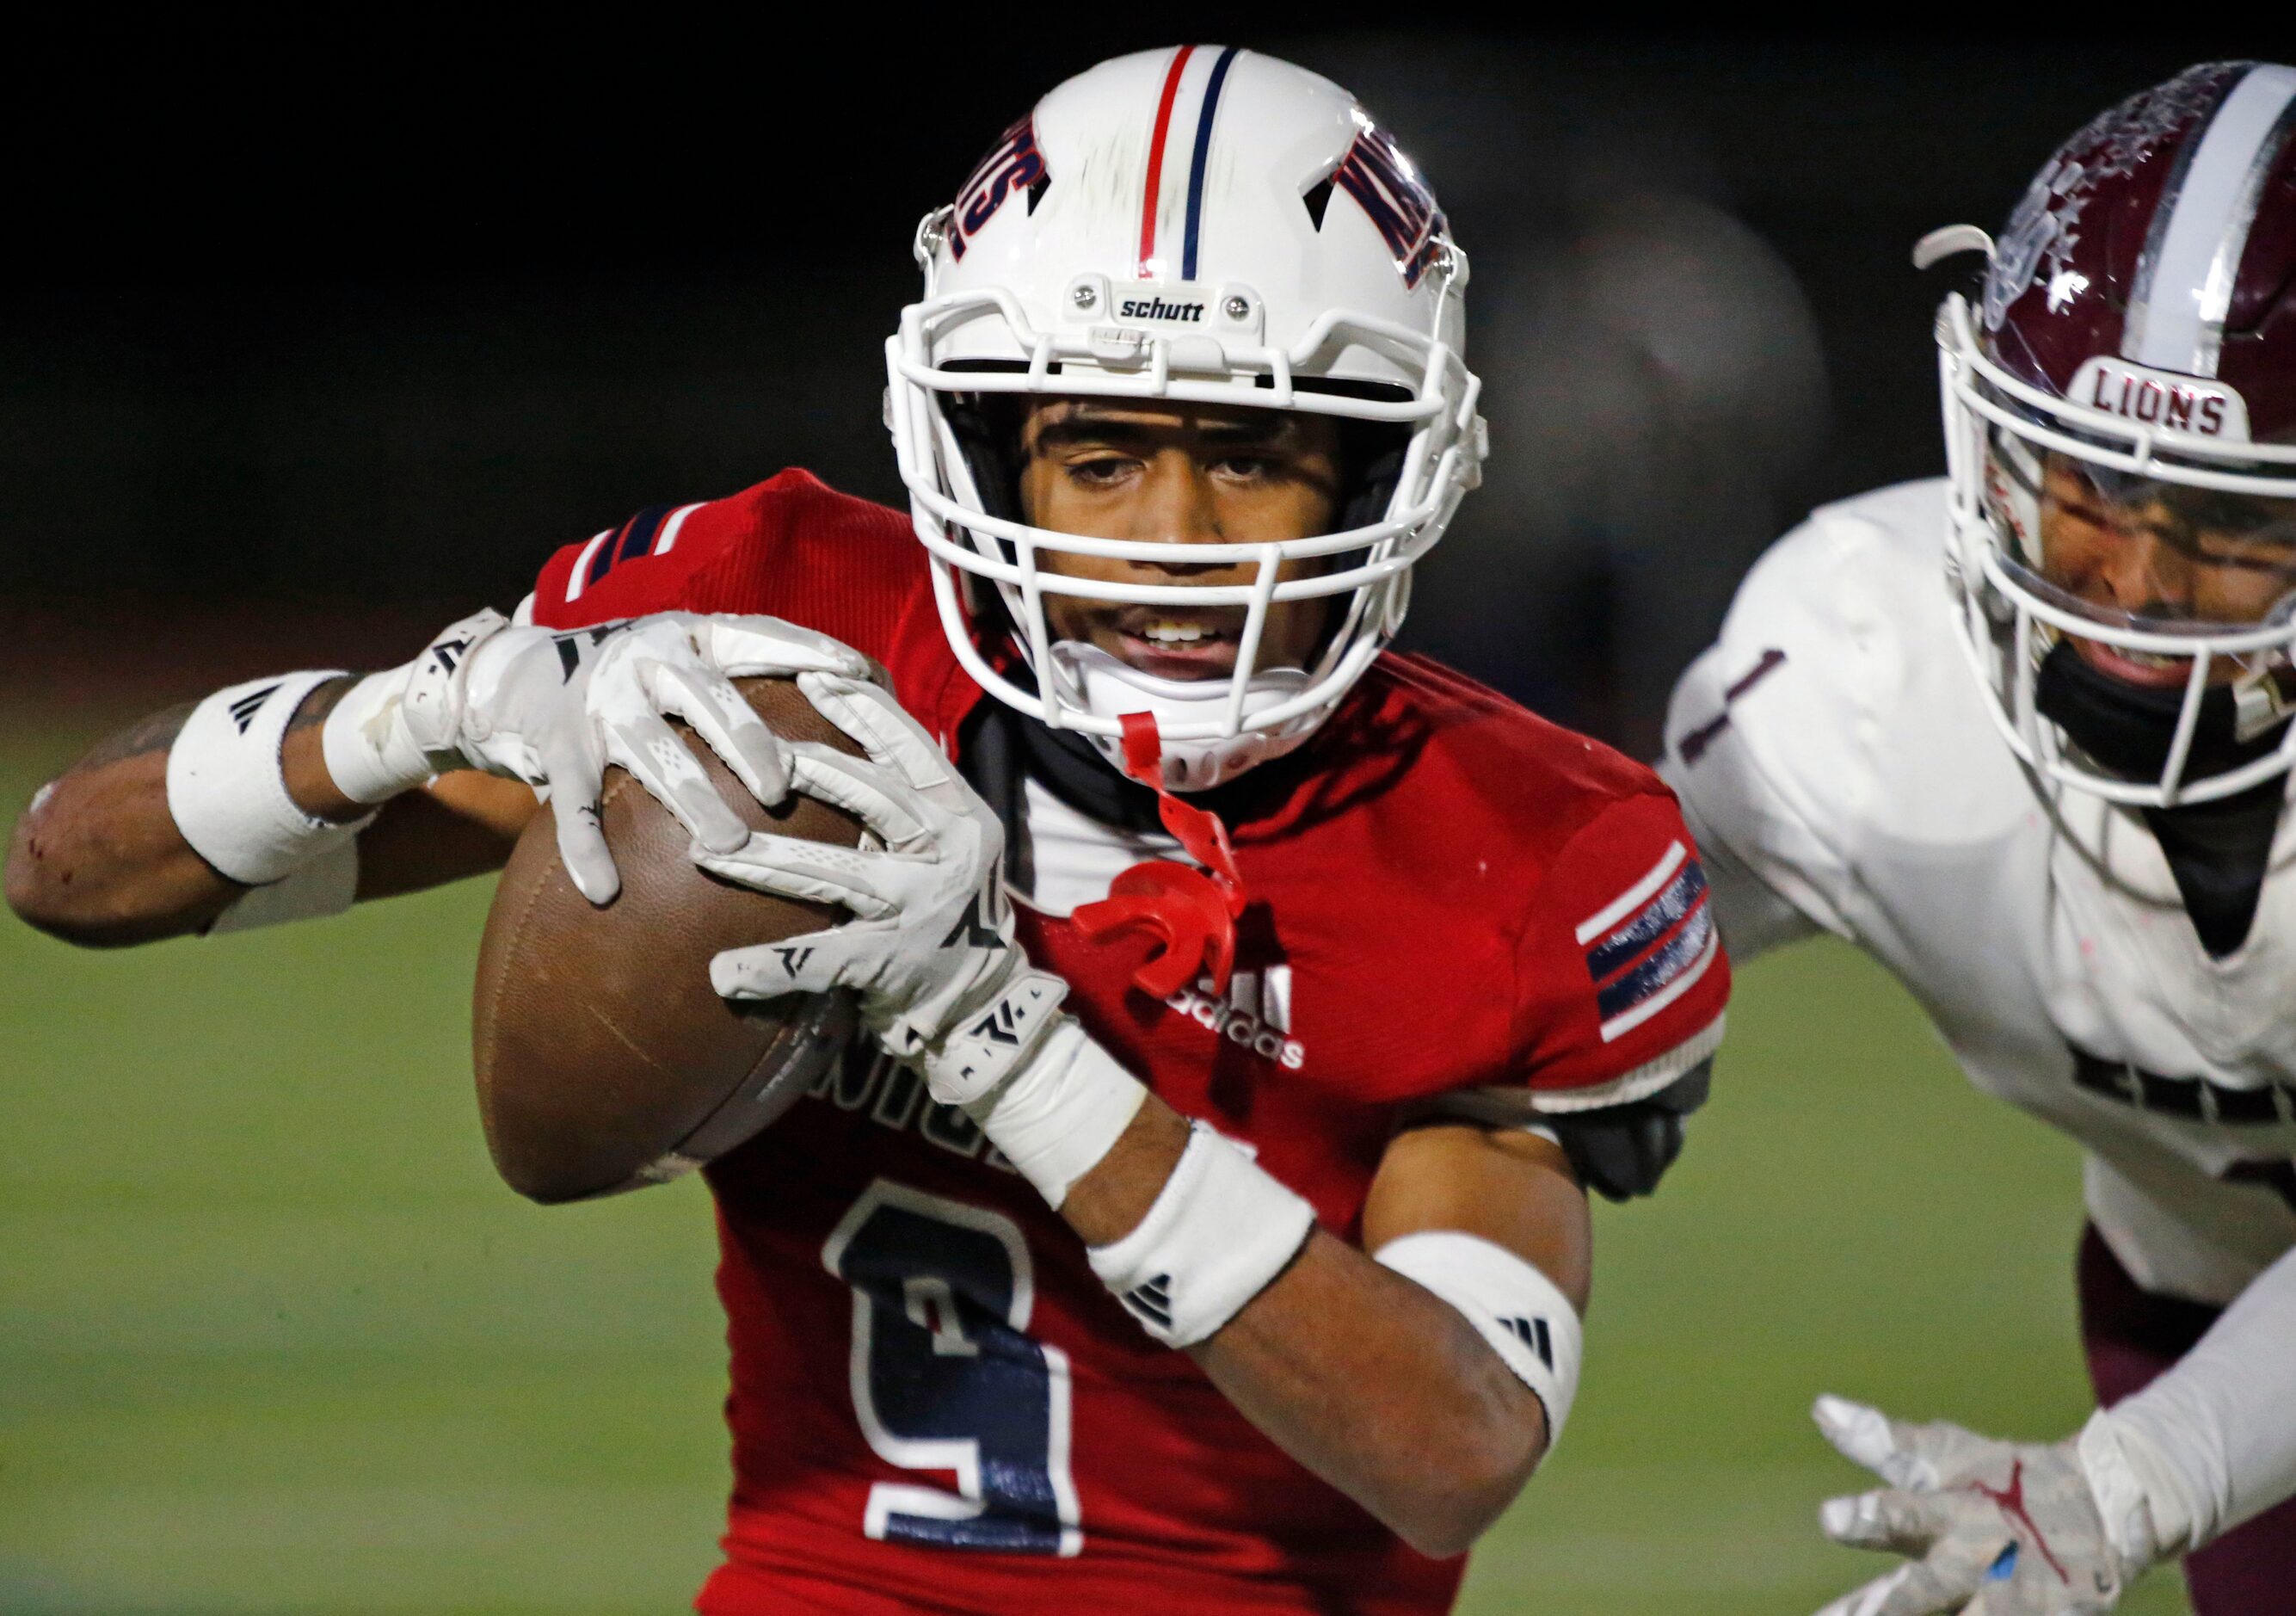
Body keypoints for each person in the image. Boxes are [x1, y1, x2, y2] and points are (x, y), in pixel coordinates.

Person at [7, 48, 1729, 1614]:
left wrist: (1006, 1050)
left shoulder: (1518, 847)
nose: (1180, 542)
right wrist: (418, 710)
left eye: (1256, 457)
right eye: (1101, 458)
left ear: (1381, 469)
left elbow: (1451, 1452)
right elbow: (69, 872)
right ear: (983, 449)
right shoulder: (794, 654)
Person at [1661, 59, 2296, 1616]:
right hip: (2202, 1300)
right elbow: (1539, 965)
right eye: (2085, 493)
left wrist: (2128, 1479)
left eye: (2225, 532)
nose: (2130, 597)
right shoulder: (1849, 675)